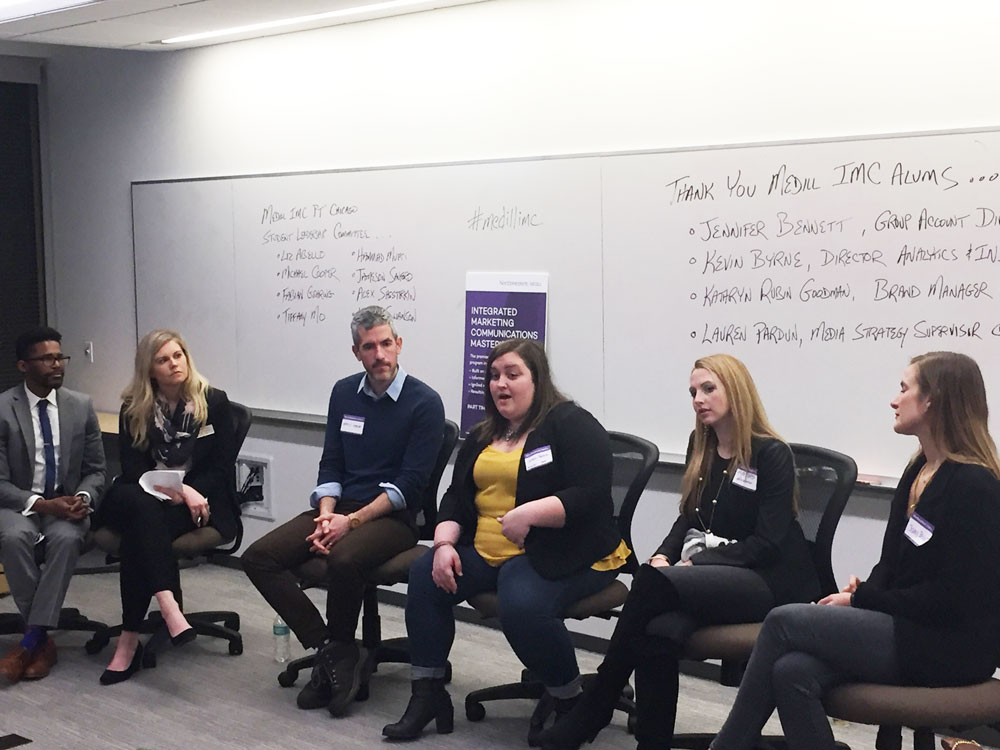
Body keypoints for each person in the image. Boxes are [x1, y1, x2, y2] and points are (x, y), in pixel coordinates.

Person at [709, 352, 1000, 750]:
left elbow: (953, 599)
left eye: (904, 388)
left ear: (932, 399)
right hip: (910, 629)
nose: (894, 400)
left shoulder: (975, 487)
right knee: (792, 671)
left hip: (948, 647)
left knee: (783, 622)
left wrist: (865, 599)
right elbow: (894, 565)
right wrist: (858, 596)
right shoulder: (919, 471)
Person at [540, 353, 820, 750]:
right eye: (693, 391)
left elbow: (768, 542)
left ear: (735, 390)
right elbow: (689, 517)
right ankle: (649, 743)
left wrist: (696, 564)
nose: (698, 399)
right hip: (715, 576)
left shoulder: (770, 453)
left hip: (769, 581)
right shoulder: (700, 445)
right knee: (658, 630)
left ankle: (597, 703)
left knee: (654, 588)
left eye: (708, 388)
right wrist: (664, 555)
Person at [383, 339, 630, 742]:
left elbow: (591, 493)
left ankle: (571, 703)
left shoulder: (569, 423)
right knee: (425, 574)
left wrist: (530, 514)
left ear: (537, 379)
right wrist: (444, 546)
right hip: (490, 550)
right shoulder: (485, 433)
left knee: (522, 601)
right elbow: (455, 499)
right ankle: (427, 694)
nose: (501, 384)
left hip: (572, 552)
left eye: (513, 375)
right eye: (494, 376)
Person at [242, 305, 445, 717]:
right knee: (259, 558)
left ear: (399, 345)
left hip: (394, 517)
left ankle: (334, 656)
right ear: (357, 352)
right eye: (369, 347)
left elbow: (410, 485)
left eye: (386, 344)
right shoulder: (343, 393)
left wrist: (349, 523)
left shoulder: (424, 403)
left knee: (343, 556)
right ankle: (333, 651)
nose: (380, 354)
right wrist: (326, 515)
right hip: (340, 509)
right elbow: (331, 463)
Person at [95, 329, 238, 684]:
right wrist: (173, 488)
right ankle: (168, 603)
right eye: (163, 360)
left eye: (178, 356)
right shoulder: (134, 406)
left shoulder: (213, 402)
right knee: (142, 507)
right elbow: (132, 470)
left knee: (138, 535)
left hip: (194, 502)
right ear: (150, 370)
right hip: (142, 492)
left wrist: (188, 491)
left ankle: (129, 641)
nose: (174, 364)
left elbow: (220, 469)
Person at [0, 326, 106, 683]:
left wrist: (83, 497)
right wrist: (43, 505)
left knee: (66, 539)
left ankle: (31, 639)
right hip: (20, 505)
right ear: (23, 365)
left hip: (68, 505)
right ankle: (41, 638)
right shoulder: (2, 409)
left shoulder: (81, 406)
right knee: (13, 539)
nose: (57, 364)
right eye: (47, 358)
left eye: (60, 357)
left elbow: (96, 471)